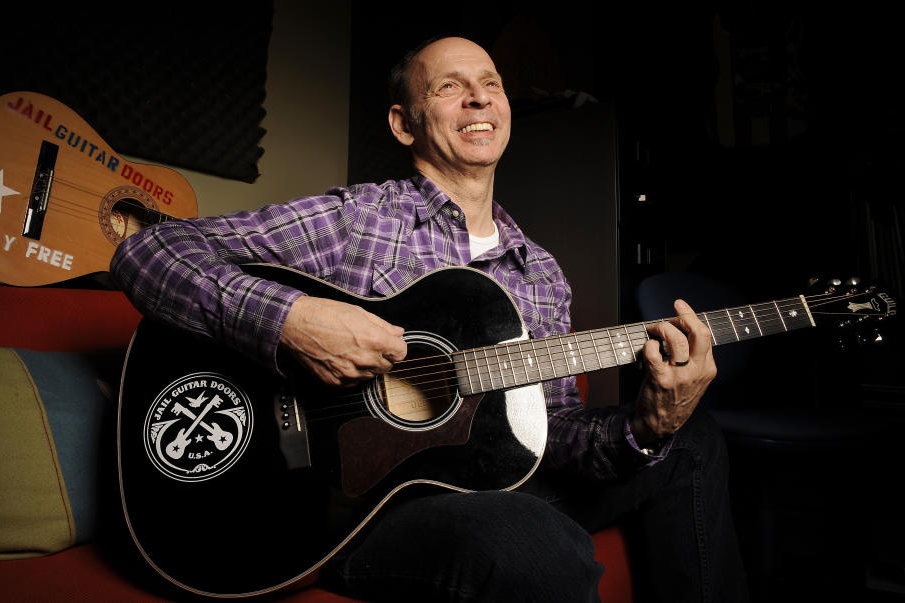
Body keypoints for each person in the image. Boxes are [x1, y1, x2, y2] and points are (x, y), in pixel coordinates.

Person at [111, 36, 748, 602]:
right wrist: (292, 321)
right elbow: (148, 249)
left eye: (491, 85)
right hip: (354, 509)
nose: (479, 100)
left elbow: (554, 435)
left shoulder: (541, 273)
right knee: (529, 540)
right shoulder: (359, 221)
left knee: (693, 440)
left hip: (489, 485)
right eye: (451, 87)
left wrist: (648, 424)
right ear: (403, 123)